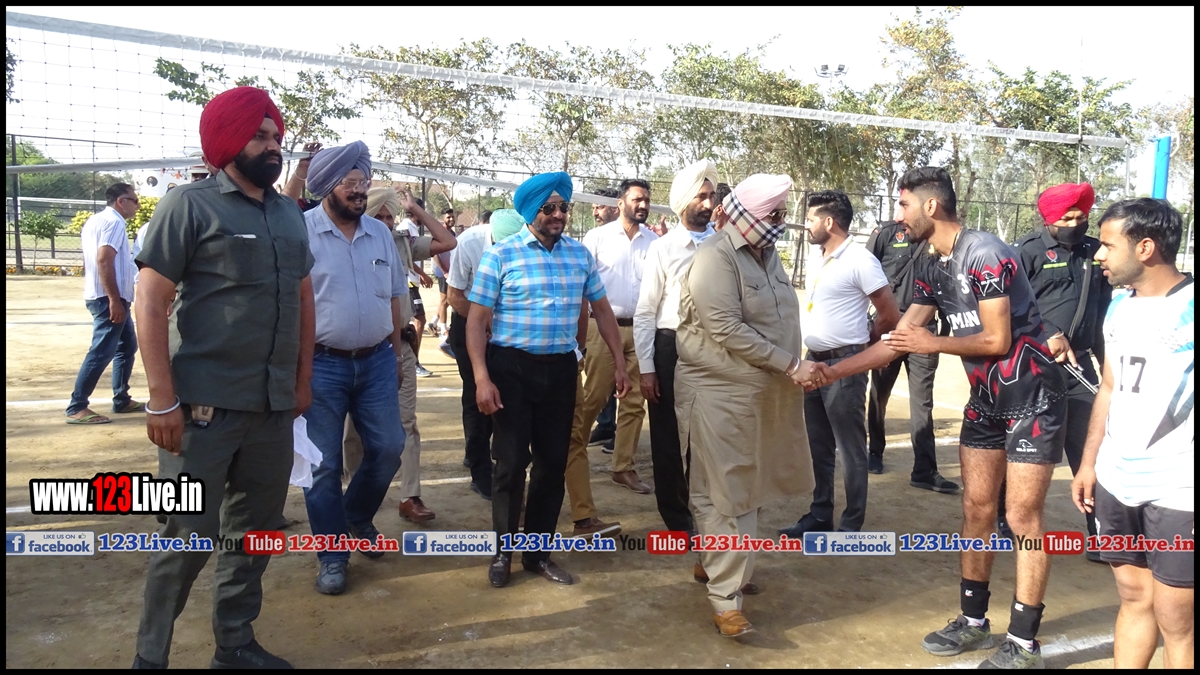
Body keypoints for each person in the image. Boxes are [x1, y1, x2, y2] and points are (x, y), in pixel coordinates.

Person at [809, 167, 1067, 668]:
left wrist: (934, 343)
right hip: (986, 401)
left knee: (1022, 518)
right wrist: (832, 372)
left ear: (930, 206)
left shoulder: (985, 252)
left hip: (1033, 399)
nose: (897, 217)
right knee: (976, 509)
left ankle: (1024, 642)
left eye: (903, 205)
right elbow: (898, 340)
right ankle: (973, 621)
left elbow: (996, 339)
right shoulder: (931, 264)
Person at [131, 86, 313, 669]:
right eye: (259, 136)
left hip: (272, 409)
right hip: (202, 411)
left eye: (276, 136)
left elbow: (304, 298)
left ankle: (234, 645)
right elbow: (150, 301)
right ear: (229, 140)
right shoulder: (189, 205)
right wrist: (161, 400)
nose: (272, 145)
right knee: (186, 537)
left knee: (255, 533)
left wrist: (302, 380)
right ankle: (150, 658)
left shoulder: (288, 214)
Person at [467, 171, 632, 588]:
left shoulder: (579, 255)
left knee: (552, 464)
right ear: (530, 211)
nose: (558, 214)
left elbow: (601, 310)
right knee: (510, 465)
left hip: (560, 371)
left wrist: (619, 361)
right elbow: (477, 321)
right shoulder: (501, 256)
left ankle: (537, 554)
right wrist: (482, 378)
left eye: (563, 207)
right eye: (549, 208)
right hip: (511, 370)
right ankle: (503, 553)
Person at [676, 173, 818, 638]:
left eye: (782, 215)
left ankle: (714, 563)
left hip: (762, 394)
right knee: (728, 492)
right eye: (772, 215)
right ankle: (726, 599)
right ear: (747, 215)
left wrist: (794, 364)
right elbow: (725, 327)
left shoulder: (768, 254)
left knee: (739, 486)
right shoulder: (714, 259)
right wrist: (791, 364)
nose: (779, 223)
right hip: (719, 393)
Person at [1071, 198, 1193, 670]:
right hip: (1117, 480)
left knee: (1177, 618)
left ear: (1145, 248)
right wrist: (1089, 463)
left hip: (1180, 488)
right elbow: (1109, 386)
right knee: (1133, 596)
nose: (1098, 255)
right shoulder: (1119, 306)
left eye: (1107, 245)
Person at [296, 142, 409, 595]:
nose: (360, 191)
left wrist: (396, 354)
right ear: (327, 186)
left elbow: (396, 296)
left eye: (364, 182)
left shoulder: (380, 234)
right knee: (322, 464)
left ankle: (356, 515)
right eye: (350, 183)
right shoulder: (302, 232)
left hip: (377, 360)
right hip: (321, 364)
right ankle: (332, 556)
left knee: (389, 447)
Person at [779, 191, 900, 537]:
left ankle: (851, 524)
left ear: (829, 222)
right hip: (813, 364)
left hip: (845, 366)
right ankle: (820, 515)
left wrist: (864, 346)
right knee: (819, 446)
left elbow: (889, 314)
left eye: (811, 219)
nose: (807, 225)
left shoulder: (860, 260)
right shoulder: (818, 256)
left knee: (850, 448)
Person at [343, 186, 456, 524]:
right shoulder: (346, 244)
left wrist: (415, 210)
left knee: (406, 422)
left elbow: (447, 242)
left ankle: (410, 495)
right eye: (379, 216)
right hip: (357, 350)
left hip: (400, 346)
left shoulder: (401, 243)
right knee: (352, 429)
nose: (386, 222)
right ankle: (356, 494)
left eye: (390, 216)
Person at [1012, 182, 1110, 558]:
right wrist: (1049, 332)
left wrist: (1106, 364)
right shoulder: (1026, 252)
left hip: (1079, 366)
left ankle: (1099, 534)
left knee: (1090, 448)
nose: (1075, 224)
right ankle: (1008, 517)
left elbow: (1101, 313)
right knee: (1025, 446)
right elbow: (1011, 305)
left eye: (1081, 217)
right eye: (1067, 218)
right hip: (1033, 366)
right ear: (1049, 219)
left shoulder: (1095, 253)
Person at [634, 159, 718, 540]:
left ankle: (710, 511)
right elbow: (646, 311)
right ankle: (678, 520)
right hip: (671, 348)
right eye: (701, 196)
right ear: (684, 201)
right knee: (669, 438)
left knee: (709, 435)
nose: (708, 203)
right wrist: (647, 368)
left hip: (714, 348)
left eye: (711, 195)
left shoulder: (724, 246)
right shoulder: (663, 248)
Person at [567, 178, 658, 498]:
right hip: (602, 329)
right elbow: (581, 287)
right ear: (621, 203)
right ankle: (569, 455)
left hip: (642, 329)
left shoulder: (654, 242)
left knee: (634, 403)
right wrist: (579, 333)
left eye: (646, 200)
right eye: (637, 199)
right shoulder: (597, 238)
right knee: (594, 396)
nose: (643, 205)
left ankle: (623, 467)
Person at [864, 219, 958, 493]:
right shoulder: (885, 234)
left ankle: (924, 470)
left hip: (925, 329)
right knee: (879, 394)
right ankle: (875, 451)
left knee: (922, 401)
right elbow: (863, 272)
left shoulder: (934, 236)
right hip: (890, 326)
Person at [446, 209, 527, 499]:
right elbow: (454, 296)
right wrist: (483, 320)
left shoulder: (525, 244)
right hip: (468, 321)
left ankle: (494, 457)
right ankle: (480, 472)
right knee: (477, 396)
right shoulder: (468, 243)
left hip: (507, 327)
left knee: (506, 396)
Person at [65, 182, 143, 424]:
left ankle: (121, 399)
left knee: (126, 346)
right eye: (134, 201)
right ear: (121, 201)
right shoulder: (114, 222)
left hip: (105, 295)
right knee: (101, 352)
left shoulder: (95, 220)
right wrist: (113, 300)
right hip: (108, 298)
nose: (138, 206)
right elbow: (103, 260)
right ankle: (77, 407)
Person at [586, 187, 620, 452]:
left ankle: (623, 440)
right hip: (598, 322)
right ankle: (606, 424)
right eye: (593, 207)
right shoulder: (594, 238)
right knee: (598, 384)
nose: (595, 212)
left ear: (616, 207)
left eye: (600, 206)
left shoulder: (646, 238)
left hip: (633, 322)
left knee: (629, 383)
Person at [397, 200, 435, 377]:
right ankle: (414, 362)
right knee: (419, 319)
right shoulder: (405, 227)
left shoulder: (411, 227)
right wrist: (423, 274)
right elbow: (407, 256)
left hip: (411, 281)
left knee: (416, 320)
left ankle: (411, 360)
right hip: (408, 282)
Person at [429, 208, 457, 338]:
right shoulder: (439, 232)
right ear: (443, 219)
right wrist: (444, 271)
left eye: (452, 217)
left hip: (451, 272)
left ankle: (433, 322)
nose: (451, 219)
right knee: (445, 300)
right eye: (448, 217)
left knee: (448, 300)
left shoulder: (452, 233)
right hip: (443, 273)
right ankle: (443, 330)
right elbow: (434, 254)